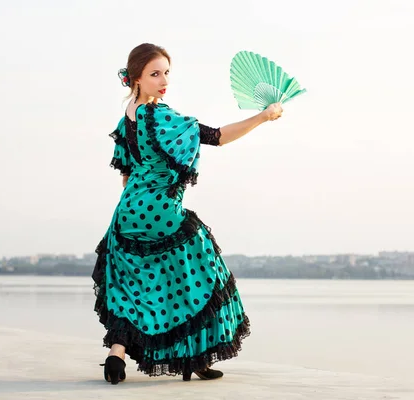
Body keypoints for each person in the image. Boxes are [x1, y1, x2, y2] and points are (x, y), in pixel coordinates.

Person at [92, 43, 283, 384]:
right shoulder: (160, 116)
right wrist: (263, 116)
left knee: (132, 287)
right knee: (199, 278)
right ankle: (194, 358)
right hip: (162, 209)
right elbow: (218, 136)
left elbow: (125, 174)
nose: (164, 80)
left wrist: (138, 209)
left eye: (166, 72)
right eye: (155, 73)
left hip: (128, 212)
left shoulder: (127, 119)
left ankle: (116, 353)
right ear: (135, 77)